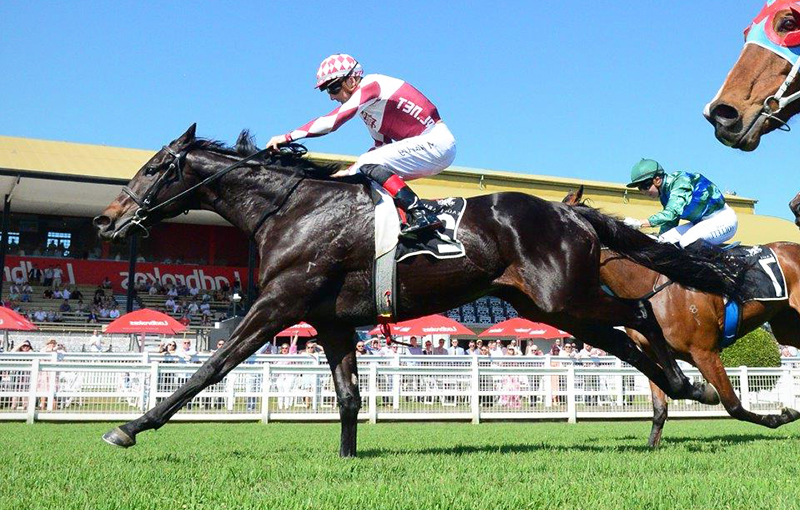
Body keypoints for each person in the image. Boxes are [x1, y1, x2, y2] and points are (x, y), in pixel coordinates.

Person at [266, 54, 457, 239]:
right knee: (360, 172)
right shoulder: (369, 109)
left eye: (333, 89)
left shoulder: (370, 86)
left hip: (436, 142)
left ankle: (421, 213)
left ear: (352, 80)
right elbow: (381, 145)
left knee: (367, 163)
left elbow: (333, 121)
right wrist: (349, 171)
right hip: (429, 146)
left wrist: (288, 136)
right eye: (327, 92)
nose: (332, 97)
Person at [624, 159, 738, 249]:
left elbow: (671, 214)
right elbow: (669, 223)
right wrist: (658, 239)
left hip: (723, 221)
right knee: (663, 241)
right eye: (640, 188)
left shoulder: (680, 182)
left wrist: (639, 223)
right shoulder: (664, 195)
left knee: (687, 242)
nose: (643, 192)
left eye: (645, 186)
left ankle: (722, 267)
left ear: (657, 180)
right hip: (701, 223)